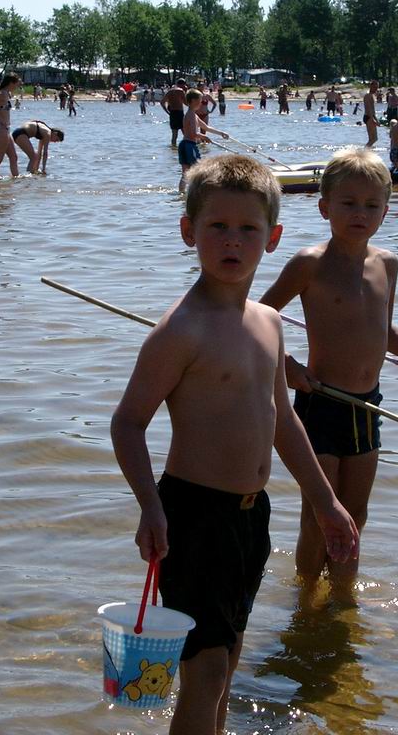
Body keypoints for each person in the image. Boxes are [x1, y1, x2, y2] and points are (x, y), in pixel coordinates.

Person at [110, 154, 359, 735]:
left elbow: (282, 421)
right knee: (206, 669)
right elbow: (128, 423)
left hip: (251, 515)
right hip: (193, 516)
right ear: (188, 231)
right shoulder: (181, 330)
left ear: (272, 238)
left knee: (229, 656)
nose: (232, 240)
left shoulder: (268, 322)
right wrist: (150, 506)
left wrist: (325, 502)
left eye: (248, 228)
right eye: (217, 226)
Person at [259, 148, 398, 588]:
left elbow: (384, 329)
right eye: (348, 203)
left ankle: (343, 599)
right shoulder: (309, 263)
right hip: (320, 403)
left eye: (371, 205)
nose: (360, 213)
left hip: (366, 407)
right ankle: (306, 600)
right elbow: (258, 320)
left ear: (386, 210)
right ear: (325, 207)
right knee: (321, 514)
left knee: (356, 513)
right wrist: (288, 366)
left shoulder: (387, 264)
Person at [177, 88, 229, 193]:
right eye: (199, 100)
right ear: (193, 101)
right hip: (189, 145)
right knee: (198, 169)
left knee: (186, 173)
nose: (201, 103)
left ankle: (182, 194)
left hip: (184, 144)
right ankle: (197, 192)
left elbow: (206, 127)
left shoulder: (193, 114)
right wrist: (204, 137)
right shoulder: (191, 115)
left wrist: (221, 133)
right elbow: (193, 134)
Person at [0, 73, 20, 179]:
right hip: (0, 130)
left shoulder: (6, 93)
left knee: (14, 157)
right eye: (16, 84)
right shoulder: (2, 94)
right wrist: (0, 117)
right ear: (11, 83)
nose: (17, 86)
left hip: (5, 129)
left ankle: (16, 180)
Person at [161, 78, 188, 147]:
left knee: (174, 135)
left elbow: (162, 102)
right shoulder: (181, 91)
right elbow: (186, 103)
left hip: (172, 113)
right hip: (179, 113)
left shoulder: (170, 91)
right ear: (183, 84)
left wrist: (167, 112)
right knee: (185, 133)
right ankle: (187, 147)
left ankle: (173, 148)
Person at [363, 81, 379, 147]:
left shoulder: (371, 95)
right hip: (369, 117)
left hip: (371, 116)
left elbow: (373, 109)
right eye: (374, 87)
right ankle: (364, 150)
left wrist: (376, 119)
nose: (376, 89)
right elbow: (368, 108)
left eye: (377, 87)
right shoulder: (368, 95)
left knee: (372, 139)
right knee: (374, 138)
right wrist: (372, 119)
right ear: (370, 86)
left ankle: (368, 150)